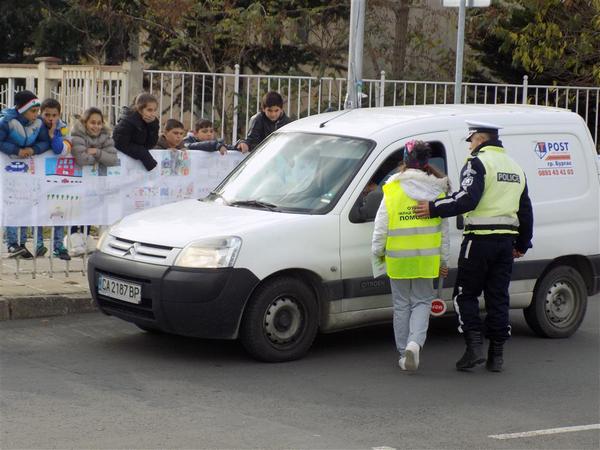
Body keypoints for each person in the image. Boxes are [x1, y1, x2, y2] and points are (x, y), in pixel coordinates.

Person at [414, 121, 533, 373]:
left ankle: (474, 348)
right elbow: (525, 210)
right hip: (505, 244)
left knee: (464, 295)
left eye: (471, 141)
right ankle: (496, 356)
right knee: (498, 297)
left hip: (479, 241)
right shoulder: (515, 167)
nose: (469, 146)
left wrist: (434, 207)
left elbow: (468, 198)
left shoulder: (478, 163)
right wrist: (522, 244)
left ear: (479, 139)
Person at [372, 140, 450, 371]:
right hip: (426, 260)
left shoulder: (392, 189)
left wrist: (377, 252)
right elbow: (443, 232)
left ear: (405, 161)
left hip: (398, 261)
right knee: (422, 302)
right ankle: (415, 344)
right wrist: (443, 261)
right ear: (427, 162)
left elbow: (380, 228)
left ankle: (402, 352)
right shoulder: (438, 190)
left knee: (401, 305)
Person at [0, 90, 51, 258]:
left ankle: (22, 244)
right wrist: (16, 150)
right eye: (33, 111)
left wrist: (33, 149)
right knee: (12, 205)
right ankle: (11, 243)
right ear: (22, 109)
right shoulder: (6, 122)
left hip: (27, 172)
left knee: (25, 205)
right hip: (8, 171)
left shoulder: (38, 124)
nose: (36, 114)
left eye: (37, 111)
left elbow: (45, 142)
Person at [37, 98, 72, 260]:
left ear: (59, 115)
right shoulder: (35, 126)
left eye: (54, 115)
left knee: (58, 209)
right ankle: (38, 244)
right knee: (38, 210)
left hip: (56, 175)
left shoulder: (62, 128)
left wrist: (52, 135)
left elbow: (59, 149)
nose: (50, 118)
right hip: (38, 175)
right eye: (47, 115)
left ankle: (58, 245)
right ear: (41, 113)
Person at [113, 93, 159, 171]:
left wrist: (152, 126)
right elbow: (119, 143)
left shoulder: (151, 121)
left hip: (136, 168)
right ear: (139, 109)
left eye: (154, 110)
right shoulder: (127, 121)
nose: (153, 114)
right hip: (123, 167)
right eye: (149, 110)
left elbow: (150, 144)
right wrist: (143, 154)